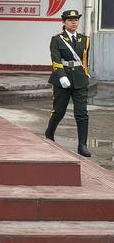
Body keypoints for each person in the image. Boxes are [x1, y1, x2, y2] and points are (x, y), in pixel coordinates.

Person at [45, 9, 91, 157]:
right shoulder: (57, 39)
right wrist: (61, 75)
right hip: (62, 80)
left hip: (79, 79)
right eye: (70, 20)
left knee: (81, 113)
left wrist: (84, 75)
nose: (74, 22)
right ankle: (49, 134)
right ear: (64, 22)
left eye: (76, 20)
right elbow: (56, 59)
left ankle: (82, 145)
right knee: (59, 111)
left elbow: (84, 61)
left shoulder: (85, 40)